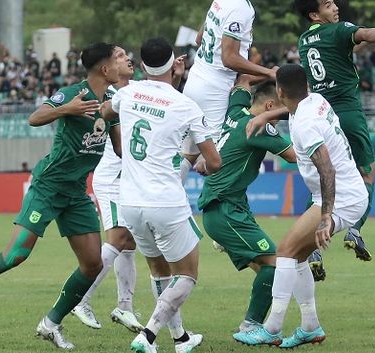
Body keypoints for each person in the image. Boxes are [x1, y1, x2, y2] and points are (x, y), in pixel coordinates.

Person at [0, 42, 123, 350]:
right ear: (105, 69)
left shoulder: (113, 101)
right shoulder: (73, 94)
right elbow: (35, 118)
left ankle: (51, 323)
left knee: (92, 264)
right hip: (48, 187)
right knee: (15, 255)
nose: (122, 66)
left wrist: (123, 124)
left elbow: (118, 147)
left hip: (76, 192)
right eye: (118, 61)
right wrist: (68, 110)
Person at [251, 0, 375, 278]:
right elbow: (365, 34)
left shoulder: (305, 40)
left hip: (316, 112)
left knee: (321, 181)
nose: (335, 8)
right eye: (328, 5)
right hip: (345, 111)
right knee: (367, 172)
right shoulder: (340, 29)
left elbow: (347, 46)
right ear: (314, 13)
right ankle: (354, 229)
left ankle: (315, 245)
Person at [233, 64, 368, 348]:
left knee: (285, 251)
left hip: (340, 196)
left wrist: (326, 217)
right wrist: (270, 113)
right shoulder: (316, 100)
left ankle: (271, 328)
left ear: (279, 92)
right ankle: (310, 326)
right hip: (347, 191)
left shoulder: (306, 125)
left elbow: (327, 170)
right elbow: (292, 108)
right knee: (299, 258)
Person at [104, 38, 222, 353]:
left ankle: (180, 338)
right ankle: (149, 334)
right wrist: (200, 164)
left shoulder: (127, 94)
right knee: (187, 274)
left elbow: (105, 110)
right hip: (165, 201)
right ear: (174, 64)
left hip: (130, 201)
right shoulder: (185, 105)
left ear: (142, 65)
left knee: (160, 271)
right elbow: (214, 161)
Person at [198, 76, 296, 334]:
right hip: (225, 210)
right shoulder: (260, 127)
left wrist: (273, 73)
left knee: (267, 270)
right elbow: (294, 156)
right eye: (279, 109)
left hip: (229, 207)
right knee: (274, 264)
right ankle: (250, 326)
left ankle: (266, 320)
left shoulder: (235, 110)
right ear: (268, 107)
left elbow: (242, 80)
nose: (279, 118)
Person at [180, 0, 276, 182]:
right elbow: (229, 58)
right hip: (214, 89)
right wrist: (268, 72)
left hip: (195, 81)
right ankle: (219, 216)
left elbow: (199, 38)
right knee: (218, 161)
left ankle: (164, 203)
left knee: (187, 153)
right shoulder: (241, 8)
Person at [71, 47, 144, 333]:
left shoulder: (138, 88)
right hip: (112, 178)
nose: (127, 59)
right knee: (118, 238)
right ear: (107, 66)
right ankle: (81, 300)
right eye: (120, 56)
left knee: (129, 245)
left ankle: (124, 307)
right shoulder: (109, 97)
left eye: (128, 55)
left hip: (130, 178)